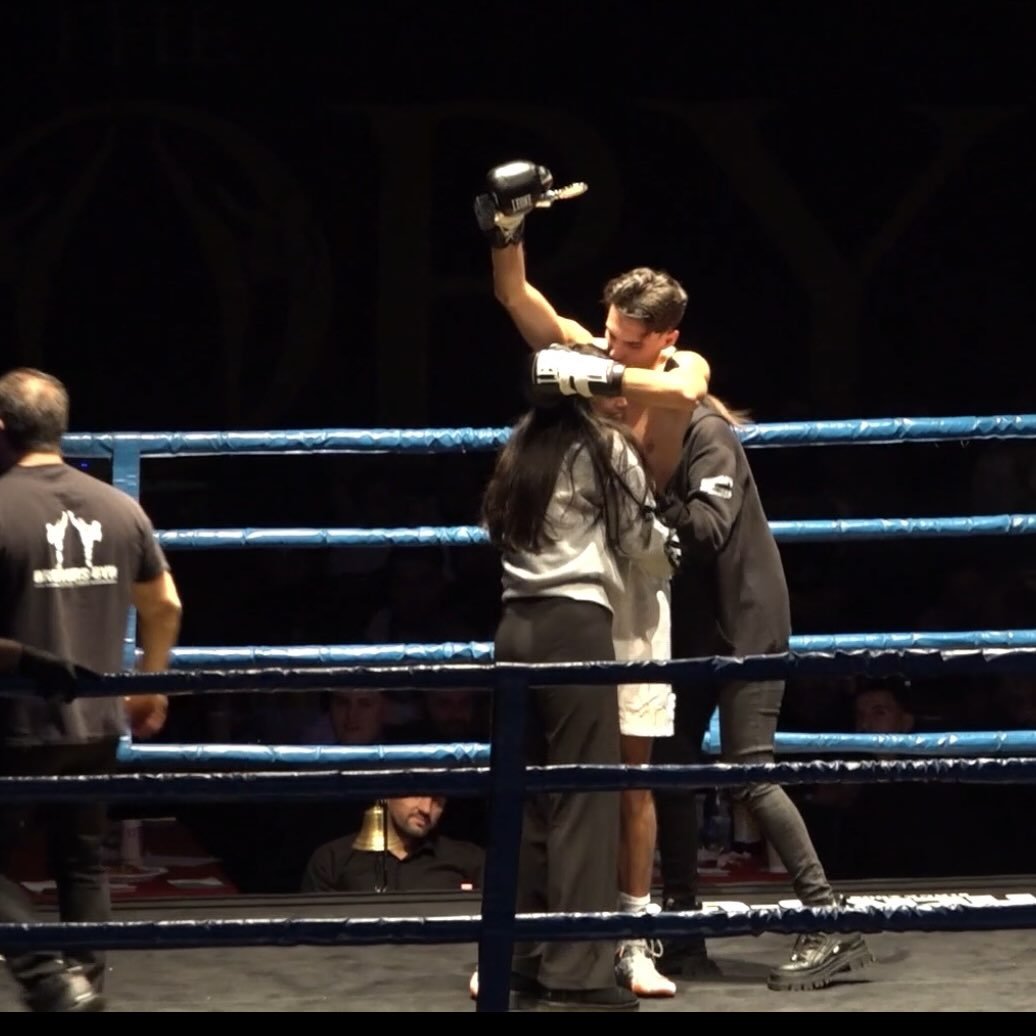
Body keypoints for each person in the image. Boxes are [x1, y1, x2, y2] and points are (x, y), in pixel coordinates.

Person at [476, 160, 715, 987]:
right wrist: (507, 228)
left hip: (633, 585)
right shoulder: (592, 352)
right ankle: (526, 942)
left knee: (627, 779)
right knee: (551, 780)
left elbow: (684, 392)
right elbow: (515, 294)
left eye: (630, 340)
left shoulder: (680, 373)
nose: (611, 345)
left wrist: (594, 374)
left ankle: (630, 939)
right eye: (608, 333)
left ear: (666, 338)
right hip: (575, 583)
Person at [478, 346, 679, 1011]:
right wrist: (673, 548)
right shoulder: (605, 447)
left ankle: (518, 961)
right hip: (575, 625)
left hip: (514, 628)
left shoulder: (518, 449)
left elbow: (493, 529)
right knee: (585, 797)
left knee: (526, 796)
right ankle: (579, 973)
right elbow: (642, 541)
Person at [652, 395, 875, 991]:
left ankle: (828, 921)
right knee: (670, 768)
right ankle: (682, 931)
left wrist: (645, 492)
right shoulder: (652, 440)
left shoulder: (705, 432)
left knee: (750, 772)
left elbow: (708, 529)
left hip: (745, 624)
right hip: (694, 629)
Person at [0, 367, 183, 1013]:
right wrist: (148, 686)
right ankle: (84, 986)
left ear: (2, 427)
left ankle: (50, 979)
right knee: (81, 861)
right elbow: (164, 604)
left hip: (18, 723)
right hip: (99, 722)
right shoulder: (119, 506)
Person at [300, 795, 484, 893]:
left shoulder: (470, 861)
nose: (426, 808)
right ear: (386, 791)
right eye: (417, 793)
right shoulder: (332, 860)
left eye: (438, 800)